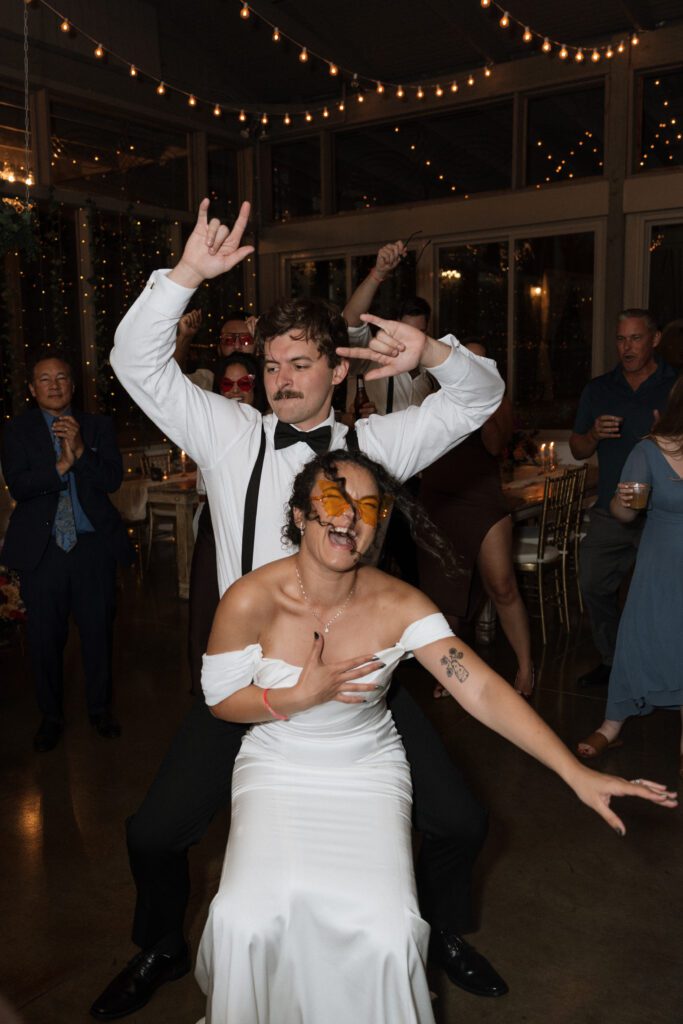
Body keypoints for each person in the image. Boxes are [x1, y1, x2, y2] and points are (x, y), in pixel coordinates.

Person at [90, 198, 507, 1020]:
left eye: (301, 364)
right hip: (251, 674)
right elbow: (134, 363)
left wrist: (434, 353)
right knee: (151, 832)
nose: (281, 380)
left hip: (359, 674)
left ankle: (436, 931)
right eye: (272, 364)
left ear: (337, 372)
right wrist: (186, 274)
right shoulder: (226, 432)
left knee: (460, 821)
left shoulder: (375, 447)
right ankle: (163, 944)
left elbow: (475, 402)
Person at [195, 449, 677, 1024]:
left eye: (367, 507)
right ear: (300, 514)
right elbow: (221, 701)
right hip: (278, 765)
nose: (350, 516)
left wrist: (575, 773)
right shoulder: (250, 597)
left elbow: (481, 688)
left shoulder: (399, 604)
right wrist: (297, 697)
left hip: (366, 770)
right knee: (245, 919)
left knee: (389, 931)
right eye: (334, 499)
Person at [0, 354, 134, 752]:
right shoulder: (16, 431)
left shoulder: (97, 426)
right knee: (44, 640)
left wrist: (81, 452)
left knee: (98, 634)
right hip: (44, 551)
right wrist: (61, 466)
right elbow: (19, 486)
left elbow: (112, 479)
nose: (54, 385)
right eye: (44, 379)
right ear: (32, 389)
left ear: (73, 386)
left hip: (93, 548)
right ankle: (51, 717)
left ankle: (100, 711)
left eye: (61, 378)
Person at [577, 375, 683, 772]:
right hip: (661, 564)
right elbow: (623, 514)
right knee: (641, 636)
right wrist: (625, 502)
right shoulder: (649, 450)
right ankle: (612, 723)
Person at [419, 341, 534, 697]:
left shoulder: (497, 400)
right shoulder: (435, 398)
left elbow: (495, 444)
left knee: (502, 584)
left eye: (478, 360)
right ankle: (449, 673)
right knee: (445, 593)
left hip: (482, 497)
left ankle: (526, 665)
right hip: (438, 497)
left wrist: (480, 399)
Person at [569, 309, 677, 688]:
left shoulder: (675, 386)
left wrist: (667, 437)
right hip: (612, 509)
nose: (626, 347)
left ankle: (662, 666)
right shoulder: (599, 389)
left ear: (655, 339)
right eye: (620, 339)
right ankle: (613, 660)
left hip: (662, 514)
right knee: (592, 583)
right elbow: (578, 449)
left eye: (635, 338)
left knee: (662, 596)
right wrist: (594, 435)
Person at [188, 351, 266, 694]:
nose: (235, 390)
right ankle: (206, 694)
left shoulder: (271, 427)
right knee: (206, 610)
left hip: (262, 523)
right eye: (227, 383)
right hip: (215, 525)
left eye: (244, 383)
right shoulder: (207, 427)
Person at [342, 239, 434, 417]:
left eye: (419, 333)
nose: (412, 340)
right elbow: (351, 320)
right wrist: (378, 273)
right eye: (406, 332)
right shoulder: (371, 358)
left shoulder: (429, 374)